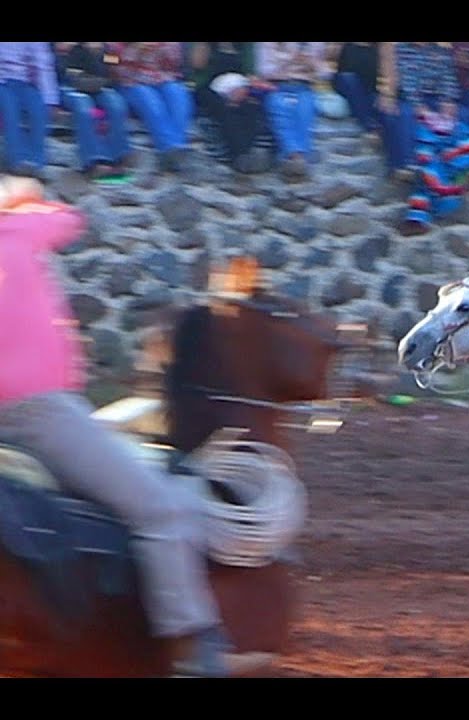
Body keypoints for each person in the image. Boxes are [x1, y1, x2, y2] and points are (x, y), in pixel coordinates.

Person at [0, 175, 274, 677]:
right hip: (37, 411)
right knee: (163, 511)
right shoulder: (15, 233)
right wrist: (20, 193)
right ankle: (191, 648)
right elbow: (67, 219)